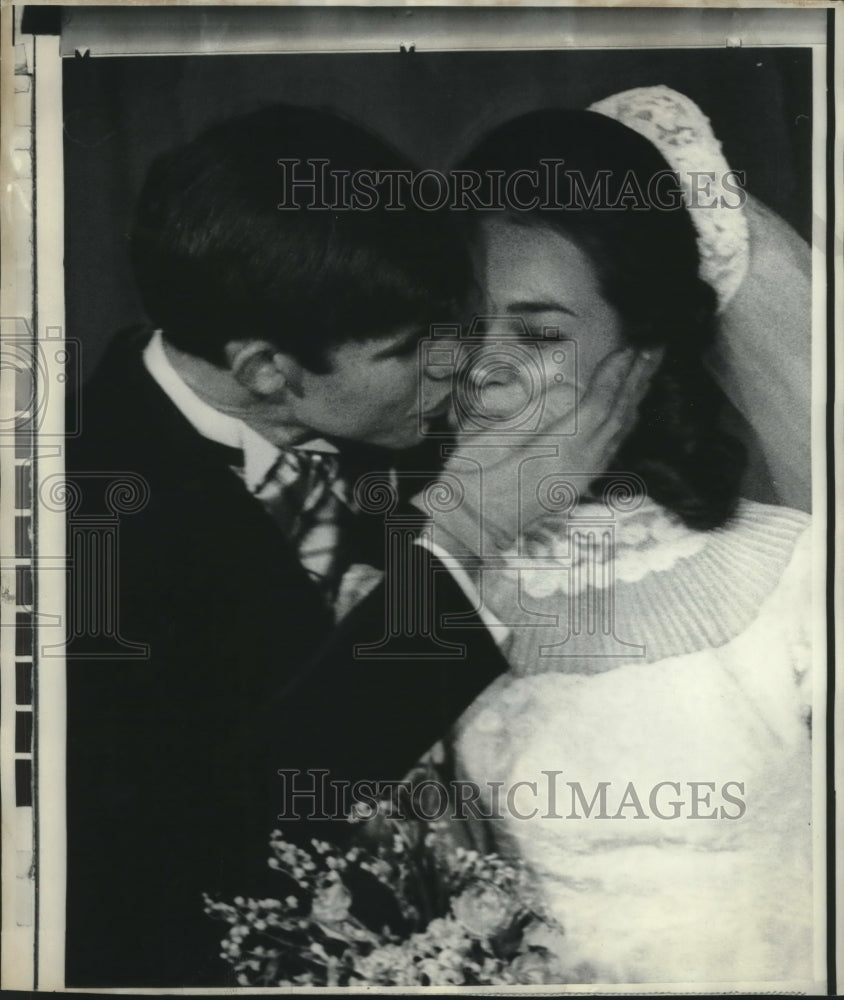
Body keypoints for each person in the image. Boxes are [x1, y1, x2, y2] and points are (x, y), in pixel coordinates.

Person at [63, 103, 525, 989]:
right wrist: (464, 541)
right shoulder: (78, 527)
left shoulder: (407, 426)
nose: (452, 367)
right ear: (265, 370)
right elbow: (211, 845)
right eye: (404, 350)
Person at [433, 88, 815, 984]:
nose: (484, 368)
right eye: (461, 324)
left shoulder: (799, 572)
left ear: (643, 347)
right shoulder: (422, 576)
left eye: (536, 332)